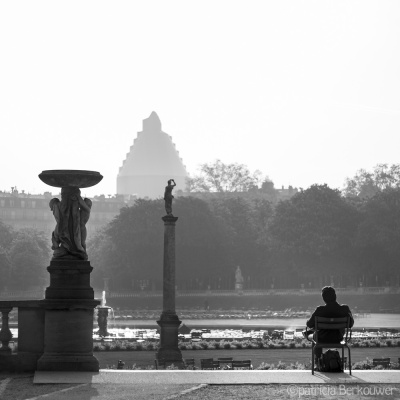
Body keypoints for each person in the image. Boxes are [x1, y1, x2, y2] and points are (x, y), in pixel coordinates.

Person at [304, 286, 354, 361]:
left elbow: (309, 324)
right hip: (338, 338)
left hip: (322, 338)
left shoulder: (320, 310)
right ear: (335, 296)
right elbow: (351, 324)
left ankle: (317, 361)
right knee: (316, 334)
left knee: (314, 337)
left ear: (324, 298)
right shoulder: (345, 309)